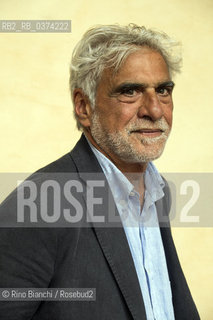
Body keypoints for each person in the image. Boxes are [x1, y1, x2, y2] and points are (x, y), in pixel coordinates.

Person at [0, 24, 200, 319]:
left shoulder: (156, 191)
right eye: (130, 91)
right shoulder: (41, 202)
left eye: (163, 90)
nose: (155, 110)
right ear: (84, 107)